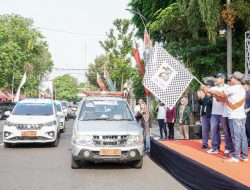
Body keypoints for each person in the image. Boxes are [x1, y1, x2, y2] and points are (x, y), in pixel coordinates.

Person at [207, 71, 248, 163]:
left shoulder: (233, 88)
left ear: (236, 79)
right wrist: (215, 94)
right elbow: (223, 98)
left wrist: (211, 90)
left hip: (234, 117)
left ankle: (235, 157)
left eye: (232, 78)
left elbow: (221, 94)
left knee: (235, 137)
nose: (230, 79)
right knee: (243, 136)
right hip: (241, 116)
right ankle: (245, 156)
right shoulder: (241, 88)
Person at [204, 73, 232, 156]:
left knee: (227, 132)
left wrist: (213, 92)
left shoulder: (227, 87)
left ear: (222, 78)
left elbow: (225, 97)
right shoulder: (213, 87)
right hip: (214, 113)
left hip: (224, 113)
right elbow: (208, 94)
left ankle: (228, 148)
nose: (216, 79)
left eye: (217, 78)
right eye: (215, 78)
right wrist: (205, 89)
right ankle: (215, 147)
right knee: (213, 131)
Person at [198, 80, 214, 150]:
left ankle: (215, 145)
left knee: (213, 130)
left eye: (208, 86)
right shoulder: (205, 95)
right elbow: (201, 103)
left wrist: (208, 96)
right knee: (204, 130)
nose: (206, 87)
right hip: (204, 114)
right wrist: (199, 98)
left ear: (211, 87)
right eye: (206, 85)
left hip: (212, 115)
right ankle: (205, 144)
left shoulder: (214, 94)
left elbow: (212, 104)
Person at [242, 80, 250, 148]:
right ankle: (247, 143)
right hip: (244, 115)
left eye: (244, 85)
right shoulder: (244, 92)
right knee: (246, 130)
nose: (242, 86)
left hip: (248, 115)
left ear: (248, 85)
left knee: (248, 129)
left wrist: (247, 110)